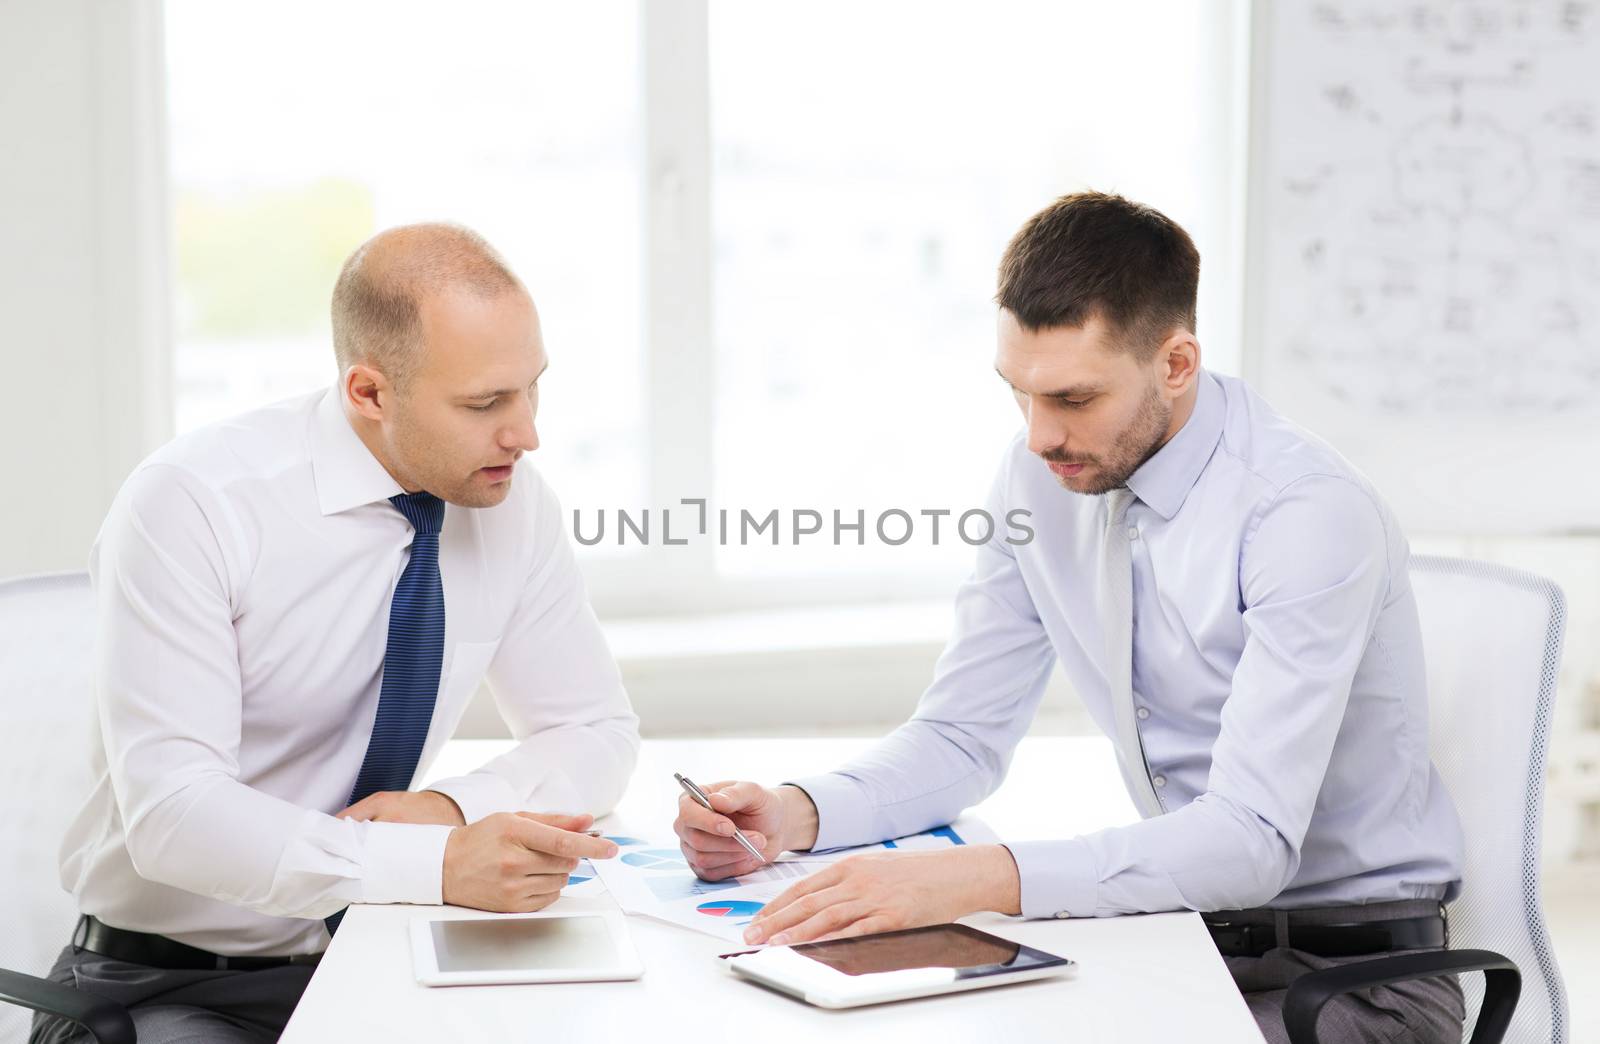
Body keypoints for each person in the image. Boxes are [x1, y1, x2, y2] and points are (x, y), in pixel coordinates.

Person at [673, 193, 1466, 1043]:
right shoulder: (1040, 479)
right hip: (1181, 938)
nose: (1040, 434)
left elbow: (1249, 840)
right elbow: (960, 739)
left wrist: (971, 878)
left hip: (1354, 981)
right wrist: (796, 814)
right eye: (1020, 394)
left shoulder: (1303, 513)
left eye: (1075, 399)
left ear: (1176, 362)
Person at [33, 224, 635, 1044]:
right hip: (167, 983)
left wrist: (449, 807)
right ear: (369, 392)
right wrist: (437, 866)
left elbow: (594, 730)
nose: (526, 434)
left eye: (532, 389)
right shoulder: (194, 503)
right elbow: (175, 815)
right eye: (484, 403)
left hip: (379, 953)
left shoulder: (511, 504)